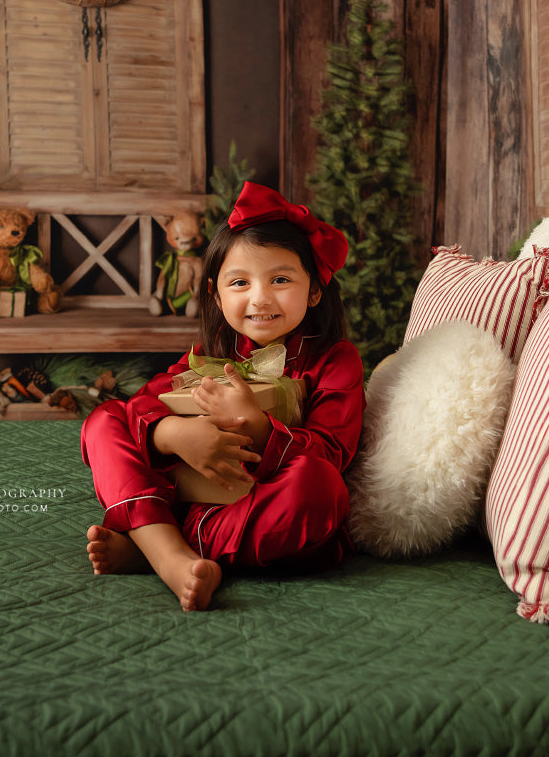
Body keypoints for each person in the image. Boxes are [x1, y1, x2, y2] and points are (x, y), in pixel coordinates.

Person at [81, 182, 364, 611]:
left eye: (281, 279)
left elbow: (333, 452)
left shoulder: (335, 359)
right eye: (239, 282)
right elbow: (140, 405)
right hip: (192, 497)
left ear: (314, 289)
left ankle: (154, 547)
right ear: (216, 292)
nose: (260, 298)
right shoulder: (216, 350)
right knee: (103, 420)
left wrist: (260, 428)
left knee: (321, 487)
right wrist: (172, 434)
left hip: (257, 511)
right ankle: (171, 555)